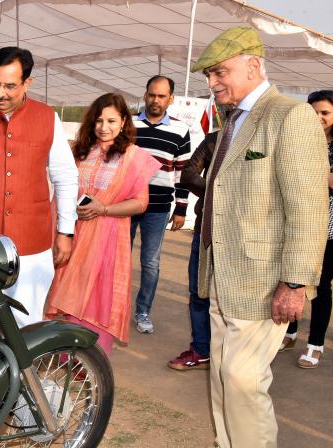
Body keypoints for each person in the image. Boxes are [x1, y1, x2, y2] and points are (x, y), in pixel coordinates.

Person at [192, 27, 328, 447]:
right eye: (209, 75)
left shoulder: (290, 115)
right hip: (221, 277)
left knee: (242, 381)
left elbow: (308, 208)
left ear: (254, 65)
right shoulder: (234, 119)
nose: (213, 83)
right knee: (222, 377)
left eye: (219, 72)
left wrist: (295, 283)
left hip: (265, 280)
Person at [0, 47, 78, 332]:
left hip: (31, 242)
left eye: (10, 86)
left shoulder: (47, 118)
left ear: (27, 83)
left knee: (27, 322)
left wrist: (65, 231)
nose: (0, 93)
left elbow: (65, 177)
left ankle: (20, 377)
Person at [45, 93, 160, 354]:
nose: (104, 127)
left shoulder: (133, 157)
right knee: (70, 291)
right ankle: (66, 354)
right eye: (98, 120)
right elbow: (62, 190)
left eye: (111, 120)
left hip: (108, 238)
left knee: (99, 296)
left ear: (123, 122)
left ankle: (92, 359)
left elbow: (141, 203)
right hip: (74, 235)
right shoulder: (79, 151)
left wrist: (103, 208)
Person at [130, 75, 192, 334]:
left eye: (162, 96)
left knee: (150, 262)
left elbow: (182, 172)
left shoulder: (180, 130)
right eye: (152, 95)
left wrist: (181, 209)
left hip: (158, 207)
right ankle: (115, 309)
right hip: (127, 205)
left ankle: (143, 312)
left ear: (171, 99)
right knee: (117, 259)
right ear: (145, 94)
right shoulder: (128, 125)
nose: (156, 100)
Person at [279, 90, 333, 369]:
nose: (318, 118)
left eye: (325, 113)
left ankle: (315, 345)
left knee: (320, 288)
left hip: (328, 231)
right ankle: (288, 333)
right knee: (292, 278)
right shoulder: (296, 140)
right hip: (296, 224)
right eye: (313, 112)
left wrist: (313, 172)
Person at [167, 131, 219, 371]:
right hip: (205, 227)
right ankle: (201, 350)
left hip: (244, 233)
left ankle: (225, 356)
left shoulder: (263, 137)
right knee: (198, 292)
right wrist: (219, 192)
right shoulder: (214, 140)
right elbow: (188, 174)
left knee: (229, 297)